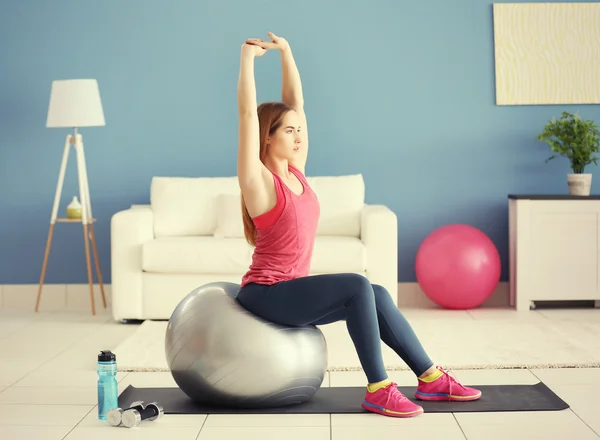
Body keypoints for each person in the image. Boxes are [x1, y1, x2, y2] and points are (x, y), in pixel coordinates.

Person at [235, 32, 482, 418]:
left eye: (300, 130)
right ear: (266, 138)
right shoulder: (259, 182)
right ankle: (379, 388)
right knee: (355, 284)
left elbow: (296, 103)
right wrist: (247, 60)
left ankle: (430, 378)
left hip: (290, 290)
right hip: (266, 294)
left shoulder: (297, 173)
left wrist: (287, 53)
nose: (299, 137)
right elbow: (248, 115)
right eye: (288, 131)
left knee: (377, 293)